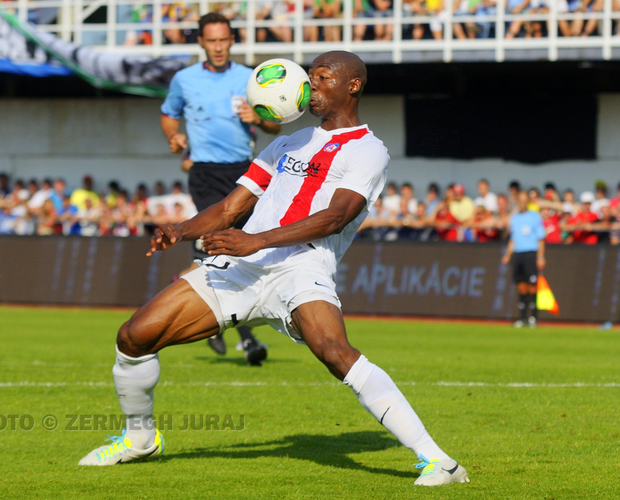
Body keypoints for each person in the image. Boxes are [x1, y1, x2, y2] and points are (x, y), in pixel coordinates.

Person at [78, 51, 469, 487]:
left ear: (352, 85)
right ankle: (138, 440)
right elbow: (230, 208)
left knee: (334, 352)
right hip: (242, 267)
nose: (312, 85)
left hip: (302, 266)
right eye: (310, 77)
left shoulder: (368, 149)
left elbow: (336, 216)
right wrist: (180, 229)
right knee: (134, 336)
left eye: (322, 78)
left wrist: (255, 240)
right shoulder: (287, 142)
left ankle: (440, 462)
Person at [160, 12, 281, 365]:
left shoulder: (249, 78)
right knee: (223, 243)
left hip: (245, 171)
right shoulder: (184, 80)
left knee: (236, 251)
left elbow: (274, 124)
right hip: (206, 173)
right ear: (201, 42)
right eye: (211, 40)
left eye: (222, 40)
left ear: (232, 41)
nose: (217, 47)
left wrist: (258, 118)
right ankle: (247, 340)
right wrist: (173, 136)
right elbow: (169, 114)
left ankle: (203, 300)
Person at [501, 191, 546, 328]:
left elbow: (540, 238)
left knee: (532, 285)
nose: (522, 202)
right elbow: (513, 239)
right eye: (520, 200)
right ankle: (522, 317)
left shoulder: (535, 217)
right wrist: (508, 254)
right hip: (518, 253)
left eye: (524, 200)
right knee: (521, 286)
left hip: (530, 252)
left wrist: (540, 256)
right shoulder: (514, 218)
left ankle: (533, 317)